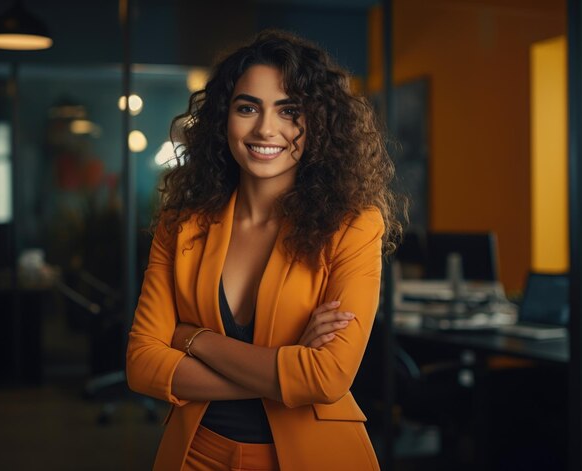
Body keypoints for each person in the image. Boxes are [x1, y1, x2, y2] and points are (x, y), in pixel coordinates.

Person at [126, 29, 402, 471]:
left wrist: (193, 339)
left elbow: (328, 376)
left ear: (317, 123)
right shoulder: (180, 225)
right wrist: (285, 371)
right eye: (247, 107)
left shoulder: (353, 225)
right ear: (223, 119)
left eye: (289, 110)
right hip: (197, 454)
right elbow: (142, 364)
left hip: (315, 456)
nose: (265, 129)